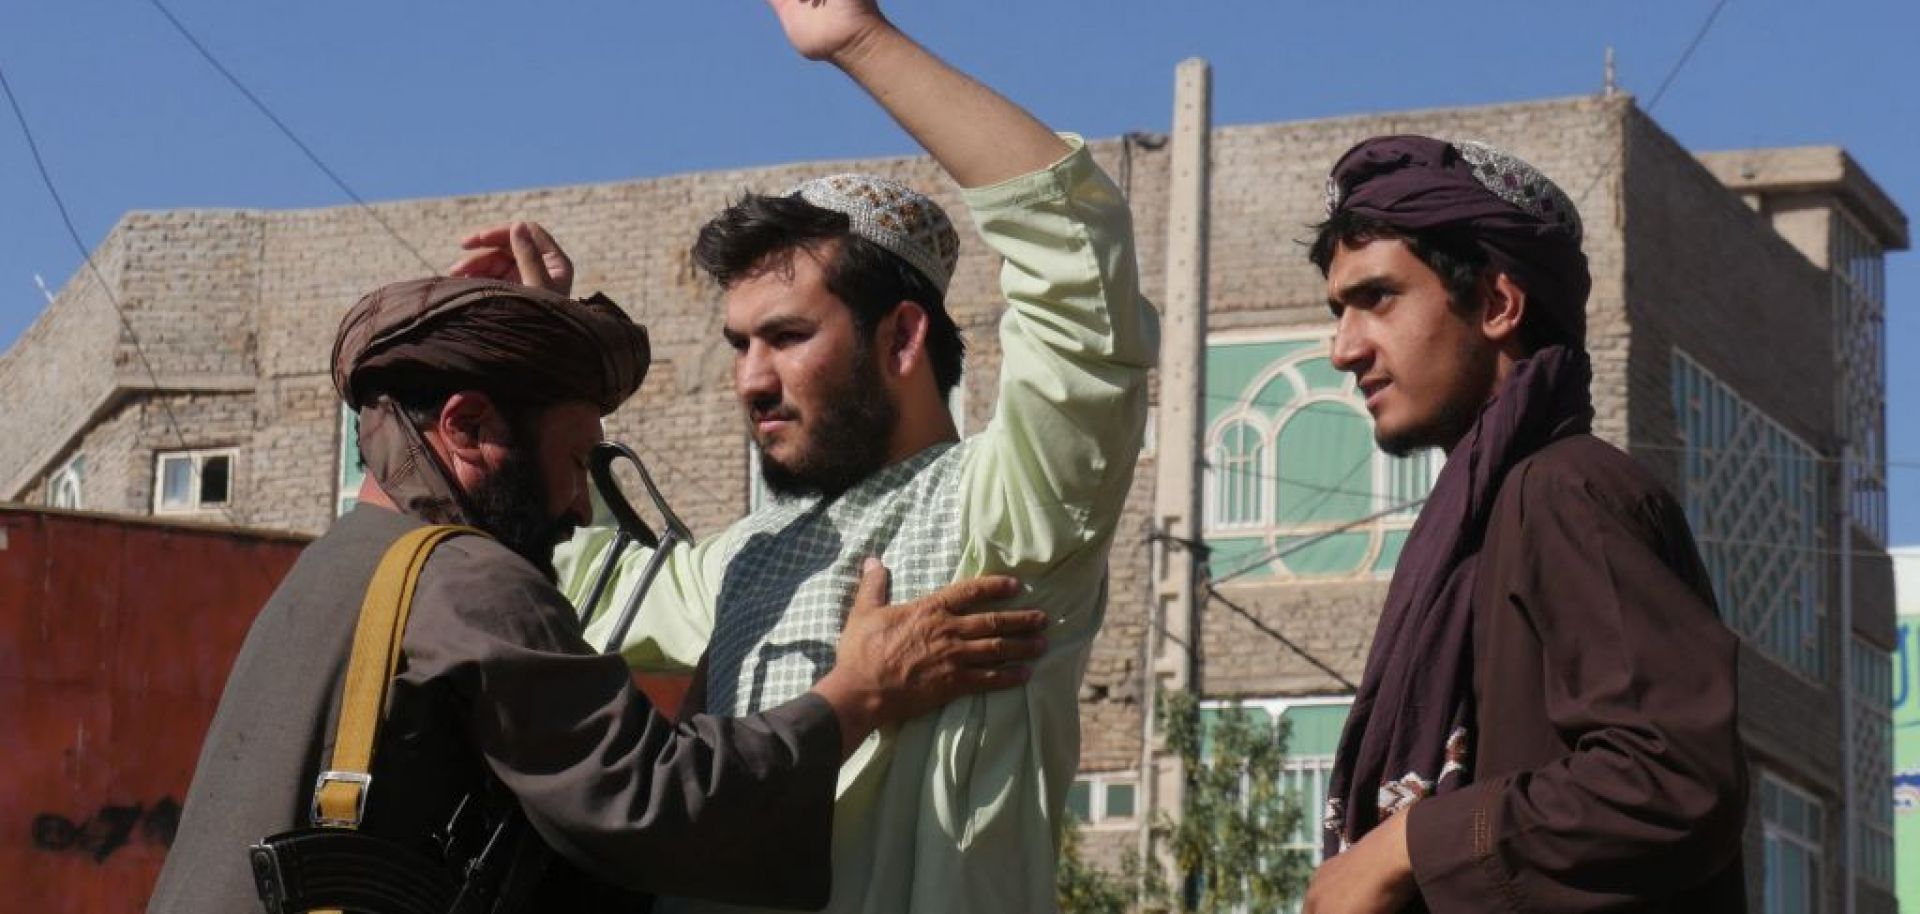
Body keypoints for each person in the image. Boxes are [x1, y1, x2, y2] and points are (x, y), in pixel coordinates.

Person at [147, 234, 1050, 914]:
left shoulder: (337, 566)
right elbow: (654, 801)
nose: (582, 507)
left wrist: (542, 333)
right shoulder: (466, 582)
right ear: (465, 430)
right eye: (579, 461)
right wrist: (859, 693)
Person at [554, 2, 1158, 911]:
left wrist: (856, 40)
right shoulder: (746, 558)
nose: (748, 381)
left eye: (787, 337)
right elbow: (578, 583)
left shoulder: (1005, 512)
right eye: (738, 344)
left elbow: (1078, 255)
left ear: (902, 337)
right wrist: (541, 357)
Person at [1299, 136, 1748, 914]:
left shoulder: (1565, 490)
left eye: (1377, 298)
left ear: (1500, 305)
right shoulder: (1482, 521)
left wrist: (1407, 846)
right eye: (1340, 310)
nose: (1344, 349)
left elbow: (1669, 777)